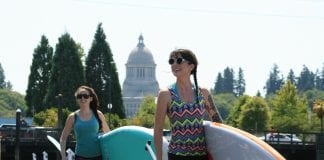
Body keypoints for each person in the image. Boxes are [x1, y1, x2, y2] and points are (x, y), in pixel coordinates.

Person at [154, 49, 223, 160]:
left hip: (201, 156)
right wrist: (159, 158)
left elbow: (218, 123)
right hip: (177, 156)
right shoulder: (165, 94)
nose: (174, 64)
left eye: (179, 60)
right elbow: (158, 130)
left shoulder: (203, 93)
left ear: (191, 66)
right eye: (172, 61)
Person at [60, 85, 110, 160]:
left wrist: (111, 153)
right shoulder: (72, 117)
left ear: (91, 98)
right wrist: (63, 156)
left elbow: (109, 134)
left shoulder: (98, 114)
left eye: (85, 96)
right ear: (77, 99)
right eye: (79, 96)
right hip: (80, 156)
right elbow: (63, 138)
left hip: (98, 156)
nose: (82, 98)